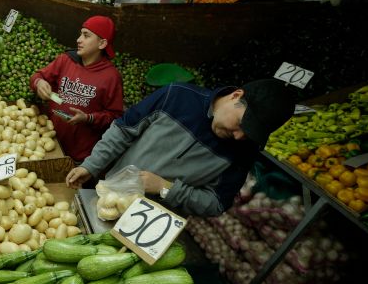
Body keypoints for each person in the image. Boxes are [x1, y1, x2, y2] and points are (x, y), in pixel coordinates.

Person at [65, 79, 296, 217]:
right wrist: (92, 166)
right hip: (108, 197)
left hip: (152, 224)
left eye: (250, 134)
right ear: (236, 96)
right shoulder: (177, 96)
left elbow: (216, 204)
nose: (238, 136)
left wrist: (166, 188)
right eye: (241, 124)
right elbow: (124, 130)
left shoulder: (244, 150)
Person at [30, 15, 124, 165]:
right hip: (48, 144)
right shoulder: (66, 60)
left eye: (86, 36)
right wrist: (39, 83)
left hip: (81, 157)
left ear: (102, 43)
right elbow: (37, 75)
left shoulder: (111, 77)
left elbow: (115, 117)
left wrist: (88, 118)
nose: (79, 40)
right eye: (80, 34)